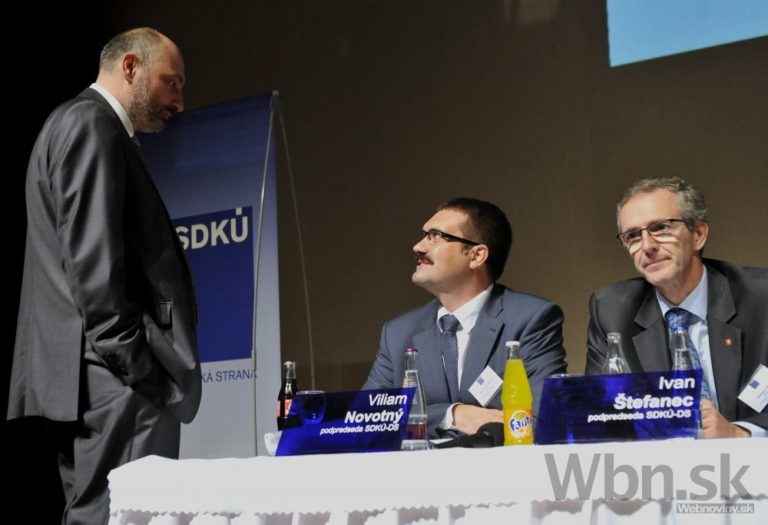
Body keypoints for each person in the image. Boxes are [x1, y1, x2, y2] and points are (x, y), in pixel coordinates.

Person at [7, 28, 202, 524]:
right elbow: (95, 268)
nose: (179, 102)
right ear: (131, 67)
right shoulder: (92, 124)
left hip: (99, 378)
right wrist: (140, 371)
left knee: (99, 515)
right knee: (122, 516)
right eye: (172, 83)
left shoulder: (80, 125)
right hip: (114, 382)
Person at [363, 198, 567, 439]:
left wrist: (417, 415)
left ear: (476, 255)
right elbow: (368, 421)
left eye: (436, 236)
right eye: (424, 235)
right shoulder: (398, 333)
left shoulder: (531, 319)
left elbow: (545, 420)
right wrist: (454, 414)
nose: (418, 247)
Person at [586, 177, 767, 438]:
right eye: (633, 236)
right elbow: (600, 415)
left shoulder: (760, 299)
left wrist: (740, 434)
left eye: (660, 228)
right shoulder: (612, 312)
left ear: (698, 234)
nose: (647, 246)